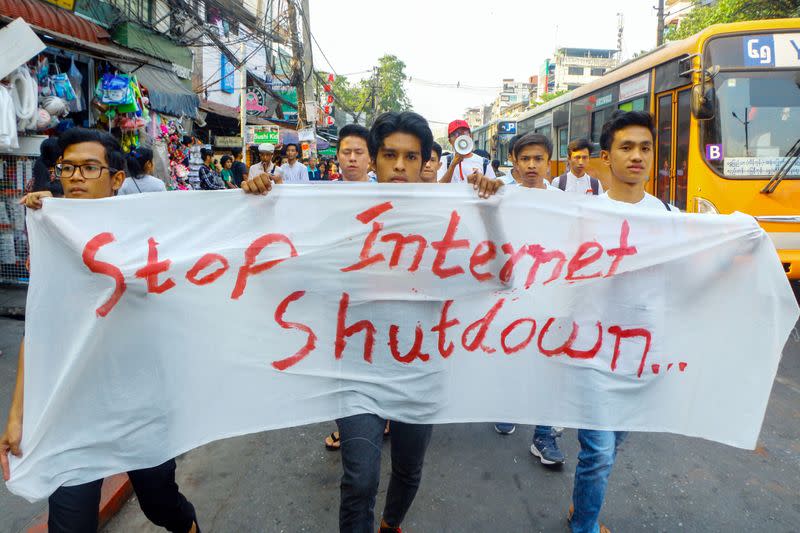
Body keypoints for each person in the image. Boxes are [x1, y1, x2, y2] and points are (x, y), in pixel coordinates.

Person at [243, 111, 501, 533]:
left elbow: (499, 276)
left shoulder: (445, 226)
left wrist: (491, 212)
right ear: (375, 161)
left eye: (411, 157)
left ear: (424, 164)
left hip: (421, 374)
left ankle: (390, 525)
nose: (400, 165)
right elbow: (280, 273)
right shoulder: (342, 220)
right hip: (358, 374)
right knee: (359, 480)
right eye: (390, 155)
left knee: (409, 471)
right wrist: (260, 210)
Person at [2, 128, 199, 533]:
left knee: (161, 505)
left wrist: (254, 197)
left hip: (141, 404)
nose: (76, 176)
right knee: (70, 525)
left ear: (116, 178)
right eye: (68, 168)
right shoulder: (51, 234)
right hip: (72, 408)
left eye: (90, 167)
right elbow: (40, 331)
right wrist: (18, 415)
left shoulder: (150, 232)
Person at [567, 111, 676, 533]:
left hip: (640, 354)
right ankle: (586, 526)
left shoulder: (669, 214)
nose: (637, 156)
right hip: (591, 351)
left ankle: (582, 506)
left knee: (614, 443)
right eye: (626, 147)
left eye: (645, 148)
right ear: (606, 156)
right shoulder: (584, 214)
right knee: (600, 452)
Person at [490, 133, 566, 466]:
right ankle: (507, 406)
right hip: (512, 294)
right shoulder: (502, 197)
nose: (532, 165)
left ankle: (543, 434)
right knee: (512, 354)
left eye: (538, 159)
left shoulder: (565, 201)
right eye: (525, 159)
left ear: (549, 162)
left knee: (549, 363)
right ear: (515, 163)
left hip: (551, 292)